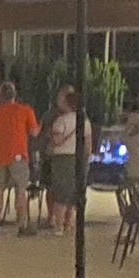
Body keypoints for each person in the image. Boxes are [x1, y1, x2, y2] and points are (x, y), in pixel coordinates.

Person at [0, 81, 41, 237]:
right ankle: (22, 225)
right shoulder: (25, 110)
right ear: (15, 94)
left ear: (0, 95)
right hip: (19, 155)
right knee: (21, 190)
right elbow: (34, 133)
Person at [44, 85, 90, 234]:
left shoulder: (61, 121)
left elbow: (57, 141)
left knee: (61, 194)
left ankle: (59, 225)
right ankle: (69, 222)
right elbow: (88, 143)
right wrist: (86, 159)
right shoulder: (84, 121)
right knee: (74, 193)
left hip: (63, 159)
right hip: (79, 158)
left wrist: (49, 137)